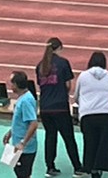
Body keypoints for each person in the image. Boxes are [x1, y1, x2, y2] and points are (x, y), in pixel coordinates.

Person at [35, 38, 81, 175]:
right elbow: (68, 84)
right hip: (60, 106)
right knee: (68, 138)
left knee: (50, 136)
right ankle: (77, 167)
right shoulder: (63, 63)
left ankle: (50, 167)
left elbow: (40, 85)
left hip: (45, 107)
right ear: (59, 48)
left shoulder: (40, 66)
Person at [73, 50, 108, 178]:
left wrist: (84, 105)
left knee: (90, 143)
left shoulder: (83, 76)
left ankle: (93, 170)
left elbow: (76, 96)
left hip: (88, 115)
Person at [3, 70, 41, 178]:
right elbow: (20, 120)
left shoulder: (26, 101)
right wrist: (10, 133)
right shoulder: (22, 98)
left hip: (25, 148)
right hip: (19, 145)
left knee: (23, 174)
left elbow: (33, 124)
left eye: (11, 83)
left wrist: (23, 143)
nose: (10, 86)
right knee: (20, 173)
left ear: (16, 85)